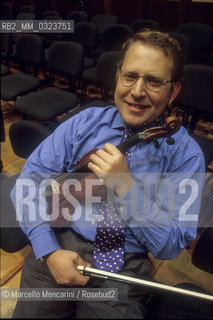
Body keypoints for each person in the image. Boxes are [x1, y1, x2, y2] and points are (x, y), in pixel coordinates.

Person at [10, 30, 205, 319]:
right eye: (130, 76)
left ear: (173, 91)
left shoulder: (186, 156)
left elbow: (169, 245)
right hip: (59, 240)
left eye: (153, 81)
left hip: (124, 265)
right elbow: (27, 184)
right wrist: (48, 251)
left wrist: (126, 187)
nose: (137, 91)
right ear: (117, 77)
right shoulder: (84, 123)